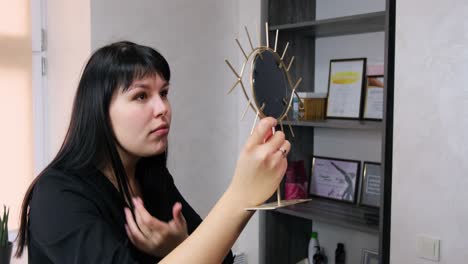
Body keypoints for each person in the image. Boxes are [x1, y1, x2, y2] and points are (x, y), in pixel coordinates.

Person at [15, 41, 290, 263]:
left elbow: (223, 259)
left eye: (164, 93)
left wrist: (179, 245)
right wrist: (239, 197)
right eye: (141, 96)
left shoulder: (151, 176)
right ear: (99, 110)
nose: (163, 109)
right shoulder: (56, 195)